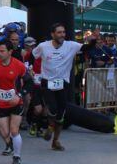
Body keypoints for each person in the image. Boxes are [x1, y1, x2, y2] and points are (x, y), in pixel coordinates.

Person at [32, 23, 83, 151]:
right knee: (53, 109)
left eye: (64, 32)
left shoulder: (71, 45)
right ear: (53, 34)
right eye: (59, 32)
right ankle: (50, 126)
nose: (62, 35)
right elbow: (33, 55)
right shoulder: (43, 46)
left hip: (63, 82)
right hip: (47, 81)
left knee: (61, 114)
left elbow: (85, 48)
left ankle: (56, 141)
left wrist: (93, 41)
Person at [0, 40, 30, 164]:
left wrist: (19, 95)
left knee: (14, 130)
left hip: (16, 102)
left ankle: (17, 157)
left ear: (10, 52)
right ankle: (11, 145)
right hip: (1, 102)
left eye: (2, 51)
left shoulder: (18, 65)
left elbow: (29, 82)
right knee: (5, 133)